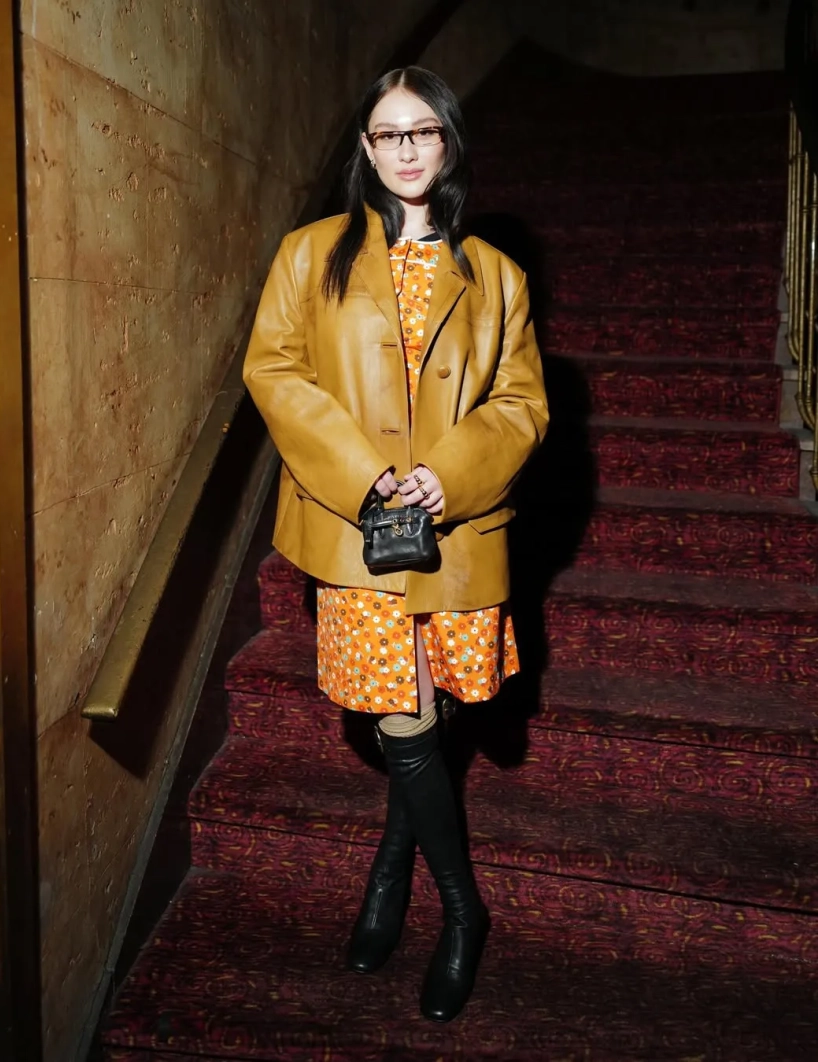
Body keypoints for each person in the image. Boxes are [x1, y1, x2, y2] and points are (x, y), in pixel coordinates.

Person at [243, 66, 548, 1023]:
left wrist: (450, 474)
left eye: (424, 130)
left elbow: (523, 403)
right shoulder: (310, 254)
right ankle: (463, 913)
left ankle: (388, 872)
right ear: (366, 149)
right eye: (388, 133)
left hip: (457, 535)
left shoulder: (497, 275)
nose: (407, 149)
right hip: (357, 535)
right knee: (404, 716)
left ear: (449, 142)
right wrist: (363, 472)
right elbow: (274, 369)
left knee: (424, 712)